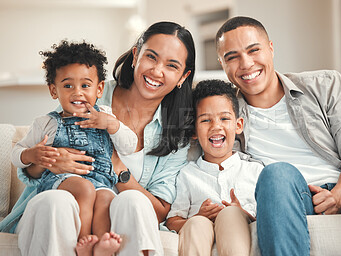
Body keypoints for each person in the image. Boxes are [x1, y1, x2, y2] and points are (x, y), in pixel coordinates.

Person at [1, 21, 195, 256]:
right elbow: (33, 164)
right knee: (56, 202)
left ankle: (100, 245)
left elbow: (159, 210)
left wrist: (116, 166)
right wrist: (49, 161)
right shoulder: (88, 90)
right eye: (151, 57)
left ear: (183, 76)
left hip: (114, 209)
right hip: (60, 201)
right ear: (136, 55)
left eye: (171, 65)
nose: (156, 71)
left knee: (133, 199)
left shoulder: (176, 133)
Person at [215, 16, 341, 256]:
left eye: (254, 50)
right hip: (285, 195)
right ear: (222, 63)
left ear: (271, 48)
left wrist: (339, 195)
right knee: (277, 173)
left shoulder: (326, 84)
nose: (246, 63)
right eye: (232, 57)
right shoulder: (224, 113)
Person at [10, 40, 138, 255]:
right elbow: (16, 154)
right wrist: (32, 154)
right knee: (84, 189)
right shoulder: (47, 123)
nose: (77, 92)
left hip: (100, 180)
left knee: (106, 199)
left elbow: (129, 146)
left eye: (85, 86)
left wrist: (112, 125)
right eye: (68, 86)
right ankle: (84, 242)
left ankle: (100, 244)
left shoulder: (105, 114)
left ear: (99, 89)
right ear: (53, 90)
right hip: (61, 182)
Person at [166, 79, 264, 256]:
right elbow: (172, 221)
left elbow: (268, 219)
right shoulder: (187, 175)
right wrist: (199, 216)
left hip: (239, 233)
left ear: (238, 125)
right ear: (194, 131)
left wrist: (244, 213)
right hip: (199, 232)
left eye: (224, 118)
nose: (216, 126)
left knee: (231, 214)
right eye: (205, 120)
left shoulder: (255, 171)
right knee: (197, 223)